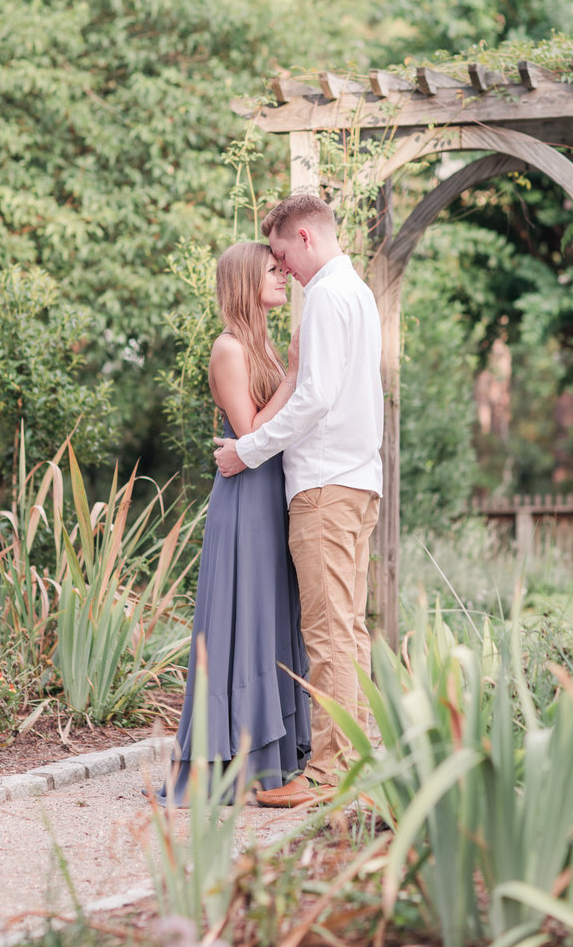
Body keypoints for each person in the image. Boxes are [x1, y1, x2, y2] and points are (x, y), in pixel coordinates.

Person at [214, 194, 383, 808]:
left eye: (281, 252)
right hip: (358, 479)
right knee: (349, 629)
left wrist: (248, 450)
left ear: (304, 238)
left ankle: (332, 770)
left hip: (324, 488)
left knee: (328, 633)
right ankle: (361, 760)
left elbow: (313, 399)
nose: (280, 265)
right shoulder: (357, 293)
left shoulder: (329, 300)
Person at [158, 241, 310, 806]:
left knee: (270, 620)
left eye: (282, 268)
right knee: (239, 621)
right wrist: (293, 378)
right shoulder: (229, 347)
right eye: (272, 271)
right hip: (244, 496)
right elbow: (247, 433)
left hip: (272, 492)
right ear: (245, 281)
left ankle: (272, 758)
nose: (282, 277)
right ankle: (230, 764)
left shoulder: (262, 343)